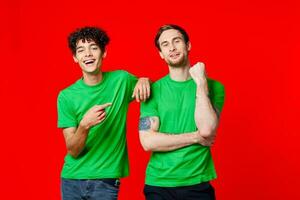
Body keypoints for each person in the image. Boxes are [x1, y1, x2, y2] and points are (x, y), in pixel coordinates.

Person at [57, 26, 150, 200]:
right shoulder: (66, 96)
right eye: (81, 50)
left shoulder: (121, 80)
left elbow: (149, 89)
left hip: (105, 181)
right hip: (72, 180)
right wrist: (85, 125)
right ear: (75, 58)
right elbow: (73, 150)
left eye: (93, 48)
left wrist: (144, 79)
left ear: (103, 53)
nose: (88, 54)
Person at [139, 24, 225, 200]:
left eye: (176, 41)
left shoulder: (214, 87)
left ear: (188, 45)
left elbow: (207, 130)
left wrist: (201, 83)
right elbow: (148, 141)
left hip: (197, 183)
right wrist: (195, 137)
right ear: (161, 54)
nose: (171, 47)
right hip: (159, 184)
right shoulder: (152, 90)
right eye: (165, 44)